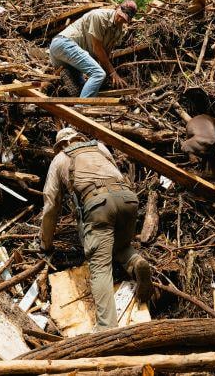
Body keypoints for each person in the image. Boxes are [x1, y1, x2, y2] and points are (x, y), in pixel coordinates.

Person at [40, 127, 152, 331]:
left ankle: (106, 327)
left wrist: (45, 243)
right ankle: (137, 263)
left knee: (100, 266)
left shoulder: (60, 159)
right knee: (120, 247)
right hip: (128, 199)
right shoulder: (99, 147)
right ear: (79, 137)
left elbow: (51, 204)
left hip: (99, 205)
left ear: (61, 145)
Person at [49, 0, 137, 98]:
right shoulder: (99, 16)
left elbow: (105, 54)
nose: (120, 20)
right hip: (63, 44)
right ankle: (82, 109)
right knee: (98, 74)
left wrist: (108, 76)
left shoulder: (119, 32)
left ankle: (76, 106)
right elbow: (97, 48)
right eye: (120, 16)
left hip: (71, 60)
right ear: (117, 8)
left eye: (124, 19)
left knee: (83, 90)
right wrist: (112, 73)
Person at [181, 114, 215, 180]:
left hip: (202, 137)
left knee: (210, 154)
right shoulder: (211, 136)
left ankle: (196, 160)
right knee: (211, 154)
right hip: (205, 140)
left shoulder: (211, 132)